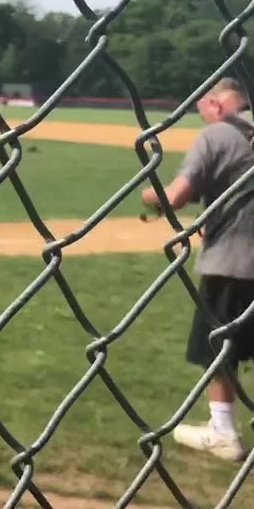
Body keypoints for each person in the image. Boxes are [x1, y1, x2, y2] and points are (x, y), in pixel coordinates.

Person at [141, 77, 254, 461]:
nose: (202, 118)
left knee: (218, 346)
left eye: (202, 110)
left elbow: (175, 197)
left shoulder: (216, 135)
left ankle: (222, 429)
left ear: (216, 104)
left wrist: (148, 196)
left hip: (232, 262)